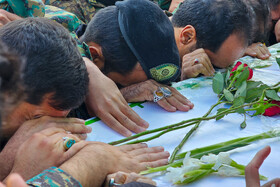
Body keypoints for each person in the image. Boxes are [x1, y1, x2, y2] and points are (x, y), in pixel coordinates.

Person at [78, 0, 194, 113]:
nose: (150, 86)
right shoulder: (62, 72)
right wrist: (125, 94)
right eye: (129, 84)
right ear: (95, 57)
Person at [171, 0, 253, 80]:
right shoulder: (158, 53)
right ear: (187, 36)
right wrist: (183, 82)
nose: (217, 75)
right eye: (213, 67)